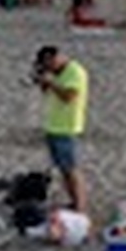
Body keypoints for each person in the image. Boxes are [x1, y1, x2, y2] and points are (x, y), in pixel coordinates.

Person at [32, 44, 90, 215]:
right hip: (54, 125)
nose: (48, 68)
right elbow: (48, 93)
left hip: (67, 127)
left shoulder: (75, 72)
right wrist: (44, 83)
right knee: (64, 169)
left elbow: (69, 97)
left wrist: (51, 82)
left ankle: (80, 206)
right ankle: (73, 201)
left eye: (48, 64)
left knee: (71, 169)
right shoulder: (58, 73)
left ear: (54, 58)